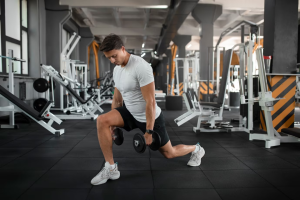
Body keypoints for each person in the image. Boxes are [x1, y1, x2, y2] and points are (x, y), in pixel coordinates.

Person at [91, 34, 205, 185]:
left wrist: (149, 131)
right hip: (130, 112)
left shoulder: (141, 67)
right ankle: (110, 168)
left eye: (114, 56)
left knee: (169, 154)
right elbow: (117, 99)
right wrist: (112, 125)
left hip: (149, 117)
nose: (112, 61)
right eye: (109, 58)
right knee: (102, 120)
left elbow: (150, 102)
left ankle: (196, 149)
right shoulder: (117, 70)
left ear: (123, 49)